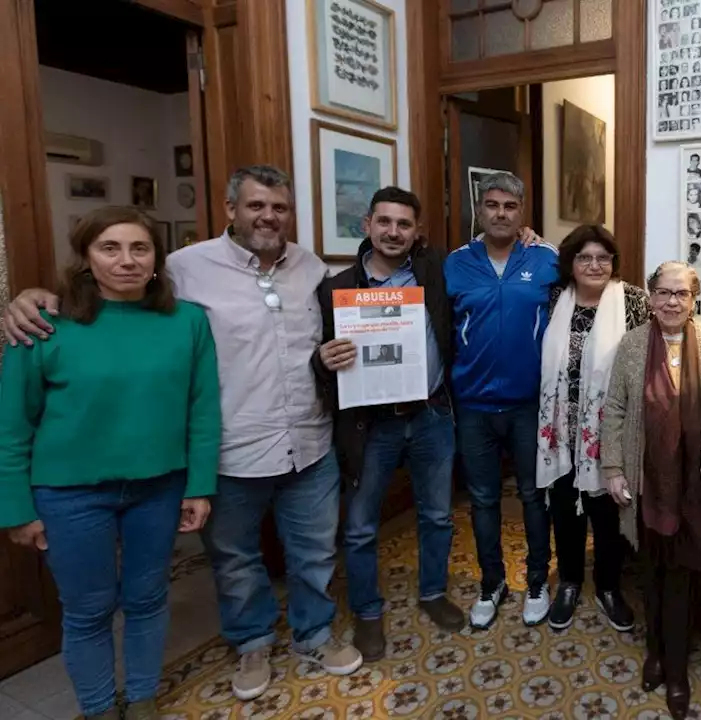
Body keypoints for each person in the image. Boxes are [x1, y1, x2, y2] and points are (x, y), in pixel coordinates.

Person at [2, 166, 364, 700]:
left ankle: (314, 632)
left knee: (313, 552)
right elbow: (108, 300)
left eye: (279, 208)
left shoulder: (311, 269)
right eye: (256, 206)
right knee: (236, 559)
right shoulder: (184, 268)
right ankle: (253, 640)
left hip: (308, 441)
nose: (268, 216)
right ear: (231, 209)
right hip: (230, 449)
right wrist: (30, 296)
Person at [0, 208, 219, 720]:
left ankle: (141, 699)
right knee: (88, 611)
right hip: (70, 496)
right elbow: (12, 426)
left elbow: (203, 409)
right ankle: (98, 708)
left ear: (156, 259)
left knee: (147, 599)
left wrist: (199, 486)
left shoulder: (187, 321)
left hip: (159, 488)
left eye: (139, 249)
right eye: (110, 248)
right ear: (86, 257)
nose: (126, 261)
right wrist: (15, 509)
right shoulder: (43, 326)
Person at [312, 187, 465, 663]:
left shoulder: (434, 273)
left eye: (404, 224)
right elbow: (320, 357)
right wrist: (323, 361)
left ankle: (434, 592)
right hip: (370, 425)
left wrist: (527, 237)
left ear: (417, 231)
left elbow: (488, 248)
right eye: (385, 222)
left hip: (431, 415)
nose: (394, 232)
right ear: (368, 225)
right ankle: (367, 611)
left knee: (438, 515)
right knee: (359, 527)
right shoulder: (335, 288)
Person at [600, 262, 701, 720]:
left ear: (694, 300)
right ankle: (654, 651)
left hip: (694, 486)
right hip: (645, 480)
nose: (671, 302)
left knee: (683, 575)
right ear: (649, 297)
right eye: (663, 293)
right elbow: (613, 408)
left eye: (682, 294)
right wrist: (613, 467)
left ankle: (676, 670)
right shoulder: (632, 346)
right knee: (651, 571)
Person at [446, 172, 560, 629]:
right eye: (492, 205)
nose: (500, 213)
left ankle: (536, 580)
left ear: (522, 213)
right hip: (473, 403)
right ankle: (491, 582)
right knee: (483, 499)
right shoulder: (455, 263)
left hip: (528, 402)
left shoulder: (545, 258)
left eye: (510, 207)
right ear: (480, 209)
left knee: (534, 496)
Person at [536, 225, 649, 632]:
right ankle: (568, 581)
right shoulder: (554, 299)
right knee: (564, 510)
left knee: (608, 513)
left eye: (604, 257)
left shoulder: (633, 300)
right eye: (585, 257)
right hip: (561, 427)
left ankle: (608, 587)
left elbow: (652, 351)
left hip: (612, 429)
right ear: (571, 263)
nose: (595, 265)